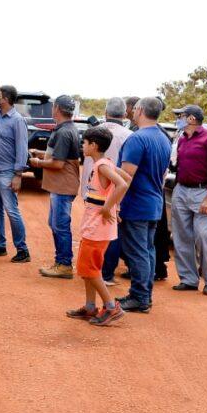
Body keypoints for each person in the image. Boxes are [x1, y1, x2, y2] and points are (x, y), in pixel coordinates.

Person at [66, 126, 128, 326]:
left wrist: (108, 208)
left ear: (93, 145)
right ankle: (90, 306)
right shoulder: (105, 163)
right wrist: (114, 208)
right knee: (88, 268)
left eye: (84, 142)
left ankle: (111, 306)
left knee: (90, 269)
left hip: (97, 227)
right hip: (95, 226)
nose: (82, 145)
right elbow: (126, 179)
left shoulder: (101, 165)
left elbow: (123, 184)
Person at [115, 96, 172, 313]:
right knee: (147, 250)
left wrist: (115, 203)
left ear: (139, 110)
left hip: (137, 204)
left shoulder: (137, 139)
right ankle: (143, 295)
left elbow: (126, 176)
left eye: (134, 109)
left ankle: (140, 297)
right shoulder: (163, 138)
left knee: (138, 251)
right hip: (153, 202)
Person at [170, 104, 207, 296]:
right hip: (182, 190)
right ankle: (189, 279)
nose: (178, 119)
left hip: (203, 193)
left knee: (203, 235)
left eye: (181, 116)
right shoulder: (182, 138)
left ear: (192, 119)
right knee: (182, 236)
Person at [29, 95, 80, 279]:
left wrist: (37, 162)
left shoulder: (64, 132)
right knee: (56, 223)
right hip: (61, 185)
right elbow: (60, 156)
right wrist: (41, 153)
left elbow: (58, 164)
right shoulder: (67, 129)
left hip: (63, 185)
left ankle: (64, 264)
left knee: (60, 225)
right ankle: (61, 262)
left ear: (57, 108)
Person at [87, 98, 136, 285]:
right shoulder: (130, 135)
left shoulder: (95, 132)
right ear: (124, 114)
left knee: (96, 231)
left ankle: (97, 272)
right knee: (111, 232)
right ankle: (105, 273)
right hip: (115, 191)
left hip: (96, 190)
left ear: (105, 111)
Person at [0, 85, 30, 262]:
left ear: (5, 99)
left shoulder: (17, 120)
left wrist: (18, 175)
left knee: (11, 211)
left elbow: (22, 148)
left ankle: (22, 250)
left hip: (7, 172)